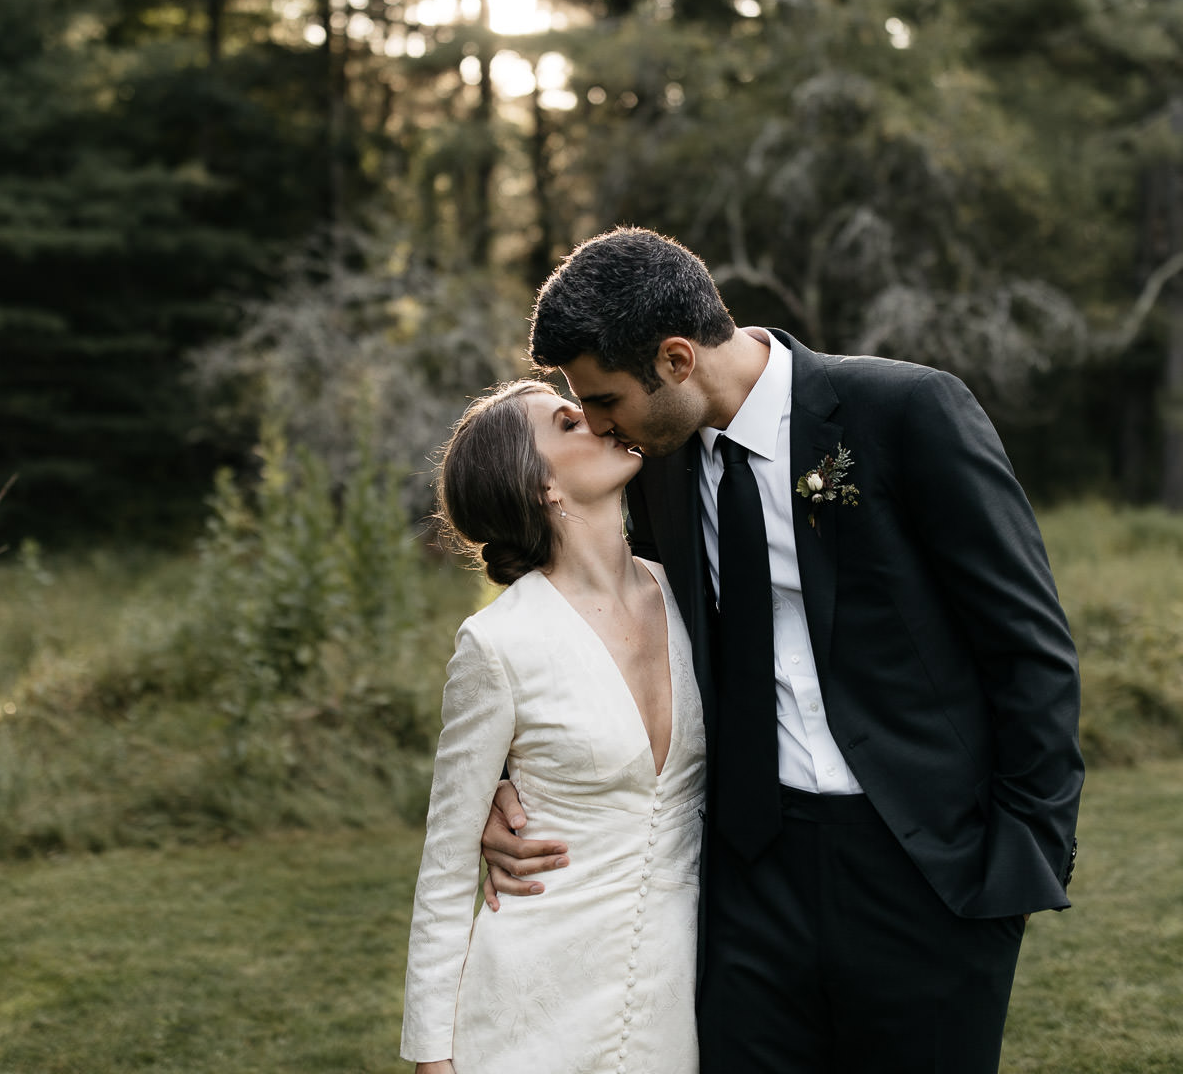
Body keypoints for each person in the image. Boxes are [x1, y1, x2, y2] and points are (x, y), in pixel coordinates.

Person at [479, 228, 1083, 1072]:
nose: (604, 427)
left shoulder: (904, 412)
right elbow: (600, 624)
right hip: (746, 871)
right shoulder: (653, 466)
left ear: (677, 360)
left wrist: (1021, 854)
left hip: (923, 867)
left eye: (608, 400)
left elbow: (1029, 645)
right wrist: (507, 778)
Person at [401, 379, 706, 1074]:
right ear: (540, 484)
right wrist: (432, 1057)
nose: (602, 421)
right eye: (572, 422)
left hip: (680, 998)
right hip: (532, 1007)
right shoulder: (498, 643)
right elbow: (445, 870)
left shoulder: (692, 597)